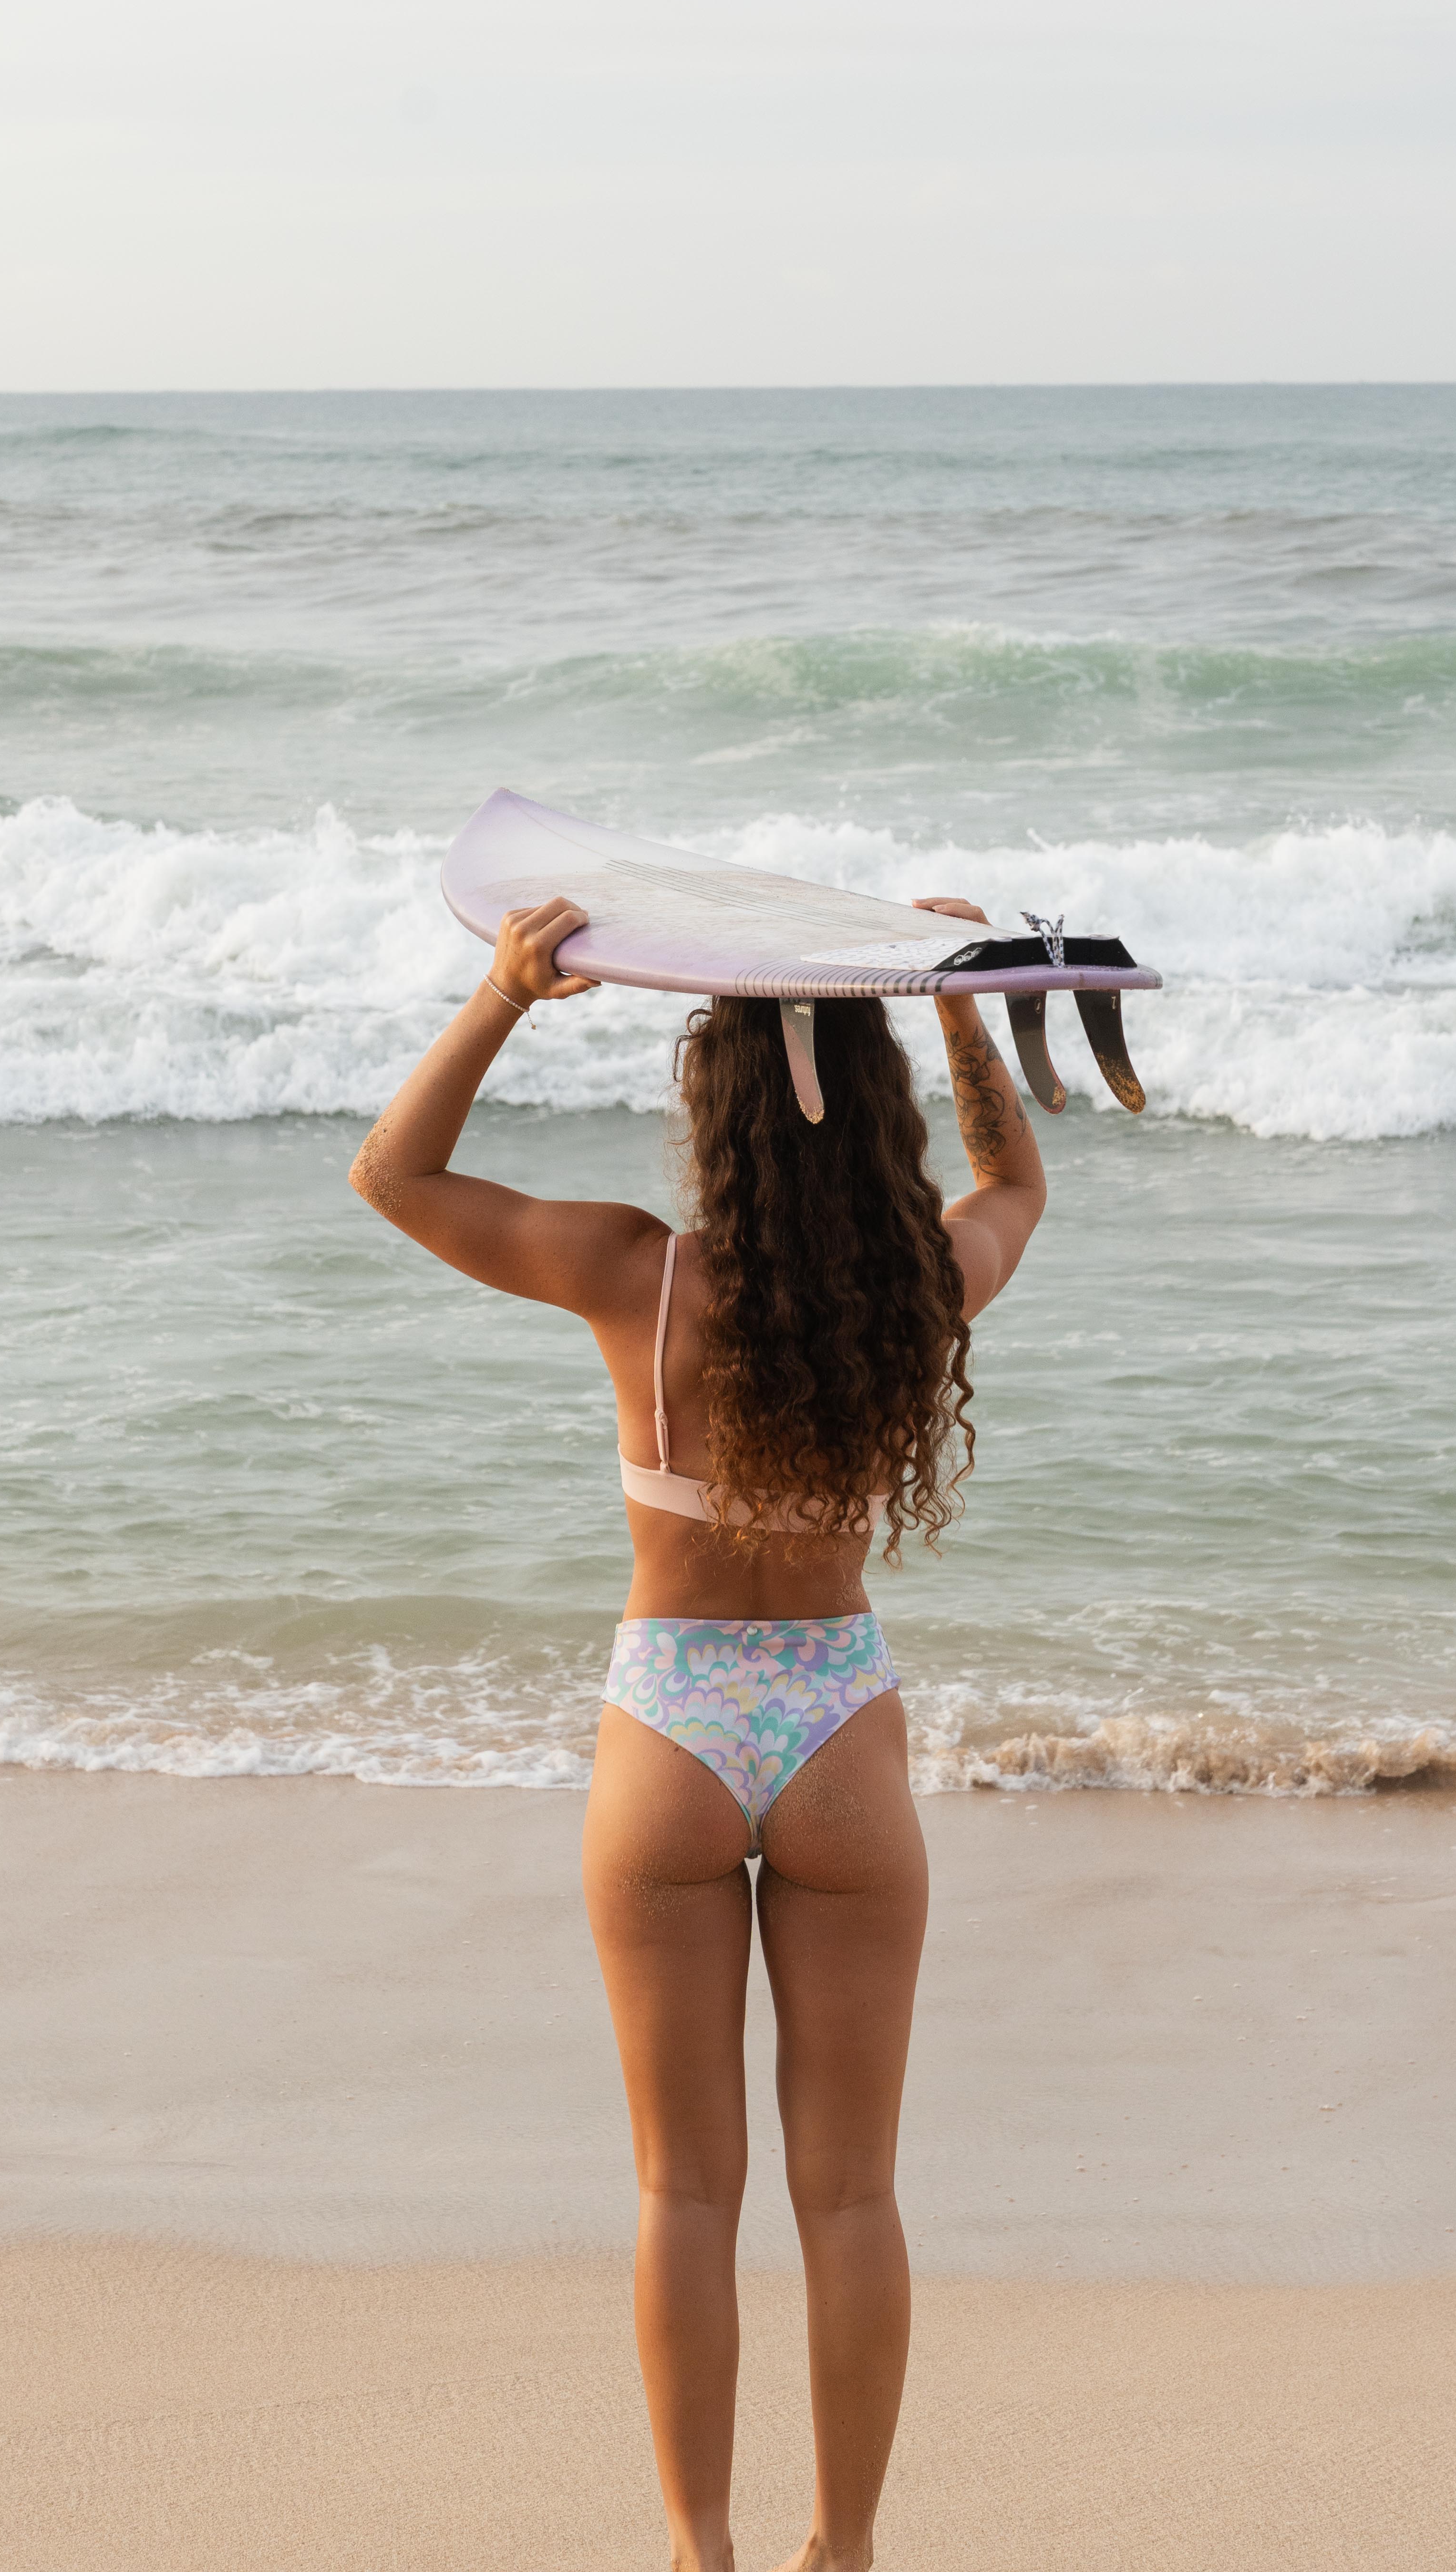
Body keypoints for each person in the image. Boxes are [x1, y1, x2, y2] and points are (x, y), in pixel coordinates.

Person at [349, 893, 1047, 2572]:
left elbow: (395, 1175)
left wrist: (505, 993)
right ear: (873, 1111)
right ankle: (845, 2552)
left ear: (711, 1108)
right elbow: (1014, 1189)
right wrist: (957, 1007)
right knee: (851, 2194)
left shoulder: (636, 1276)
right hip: (836, 1730)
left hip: (670, 1727)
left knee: (684, 2193)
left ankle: (700, 2550)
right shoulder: (922, 1287)